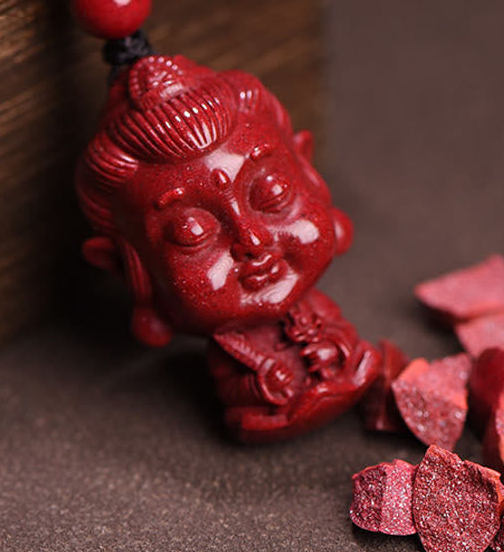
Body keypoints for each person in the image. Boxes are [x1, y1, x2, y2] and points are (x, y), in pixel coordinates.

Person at [76, 54, 380, 441]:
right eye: (193, 233)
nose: (251, 241)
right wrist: (260, 384)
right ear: (126, 268)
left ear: (309, 172)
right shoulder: (231, 348)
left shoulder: (318, 309)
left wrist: (333, 351)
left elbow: (339, 335)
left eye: (272, 193)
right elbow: (234, 387)